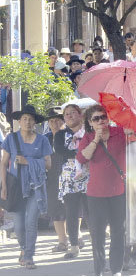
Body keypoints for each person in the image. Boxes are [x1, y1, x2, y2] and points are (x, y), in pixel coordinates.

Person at [76, 105, 126, 275]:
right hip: (96, 193)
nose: (101, 121)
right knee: (97, 235)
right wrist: (96, 139)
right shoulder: (88, 137)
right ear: (90, 122)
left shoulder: (119, 132)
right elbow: (82, 157)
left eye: (103, 117)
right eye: (96, 118)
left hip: (118, 190)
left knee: (118, 231)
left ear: (108, 118)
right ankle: (99, 270)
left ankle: (116, 269)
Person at [0, 105, 53, 269]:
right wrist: (3, 187)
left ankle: (29, 255)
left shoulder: (42, 140)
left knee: (31, 223)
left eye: (31, 119)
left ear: (35, 122)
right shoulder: (11, 139)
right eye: (25, 119)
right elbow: (3, 164)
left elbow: (48, 164)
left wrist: (28, 161)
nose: (28, 122)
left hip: (36, 188)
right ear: (19, 121)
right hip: (15, 188)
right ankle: (23, 248)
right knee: (18, 226)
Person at [55, 104, 88, 260]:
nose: (69, 116)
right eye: (66, 114)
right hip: (69, 178)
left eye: (72, 113)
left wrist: (80, 154)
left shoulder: (89, 132)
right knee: (72, 213)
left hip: (89, 175)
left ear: (80, 115)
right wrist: (80, 153)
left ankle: (97, 244)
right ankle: (74, 246)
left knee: (92, 212)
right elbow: (60, 150)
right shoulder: (60, 135)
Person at [44, 107, 69, 254]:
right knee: (55, 209)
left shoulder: (69, 135)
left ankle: (75, 235)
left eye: (58, 120)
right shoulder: (45, 138)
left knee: (72, 208)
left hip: (69, 175)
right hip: (52, 177)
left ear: (63, 120)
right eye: (52, 121)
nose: (54, 123)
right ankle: (62, 241)